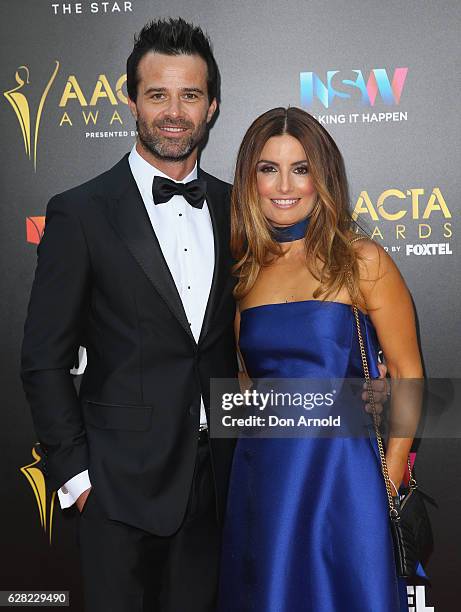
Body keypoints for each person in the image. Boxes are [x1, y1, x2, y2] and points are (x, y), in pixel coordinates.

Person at [20, 18, 238, 612]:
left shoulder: (235, 206)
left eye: (190, 95)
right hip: (118, 493)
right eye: (157, 94)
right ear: (130, 98)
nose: (174, 111)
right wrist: (78, 480)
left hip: (218, 486)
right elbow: (43, 360)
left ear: (212, 106)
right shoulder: (81, 212)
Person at [218, 107, 423, 611]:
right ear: (250, 179)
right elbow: (248, 386)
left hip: (345, 477)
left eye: (300, 168)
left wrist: (389, 476)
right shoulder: (244, 273)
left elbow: (407, 372)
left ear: (322, 177)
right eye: (268, 168)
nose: (284, 184)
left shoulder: (362, 260)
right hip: (266, 481)